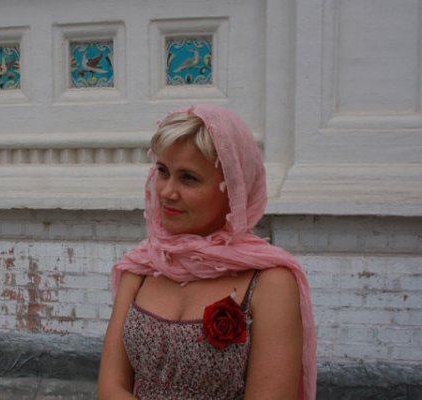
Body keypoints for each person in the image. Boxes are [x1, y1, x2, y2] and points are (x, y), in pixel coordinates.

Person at [97, 104, 317, 400]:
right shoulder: (143, 268)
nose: (167, 192)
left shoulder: (269, 282)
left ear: (234, 188)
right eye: (163, 171)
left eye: (188, 178)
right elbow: (110, 389)